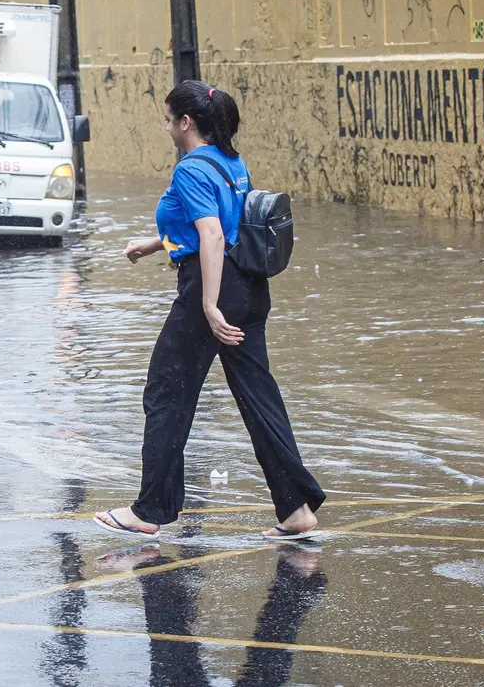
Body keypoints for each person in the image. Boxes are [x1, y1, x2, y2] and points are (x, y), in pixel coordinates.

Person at [93, 81, 325, 540]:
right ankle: (296, 508)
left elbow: (214, 236)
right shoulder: (233, 164)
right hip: (250, 288)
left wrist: (208, 304)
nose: (167, 128)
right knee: (259, 397)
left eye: (168, 120)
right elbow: (224, 225)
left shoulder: (190, 169)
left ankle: (150, 510)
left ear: (186, 122)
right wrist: (157, 243)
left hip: (214, 288)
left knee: (166, 392)